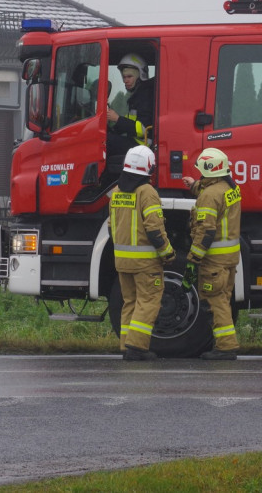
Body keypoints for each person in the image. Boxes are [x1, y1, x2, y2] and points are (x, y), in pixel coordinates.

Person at [109, 145, 175, 361]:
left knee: (130, 302)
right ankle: (137, 348)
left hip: (122, 262)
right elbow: (155, 228)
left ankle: (125, 346)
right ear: (149, 167)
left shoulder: (117, 192)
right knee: (148, 301)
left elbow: (112, 226)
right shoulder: (147, 192)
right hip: (145, 263)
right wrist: (167, 253)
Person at [182, 148, 242, 360]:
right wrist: (194, 185)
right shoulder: (230, 188)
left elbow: (206, 231)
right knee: (223, 300)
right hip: (229, 259)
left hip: (214, 261)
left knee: (215, 302)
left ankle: (225, 347)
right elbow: (214, 193)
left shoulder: (209, 196)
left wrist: (193, 258)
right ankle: (225, 344)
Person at [107, 53, 155, 157]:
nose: (125, 81)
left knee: (105, 141)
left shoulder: (146, 96)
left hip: (143, 146)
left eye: (129, 76)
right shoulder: (138, 95)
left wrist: (117, 119)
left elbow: (143, 129)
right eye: (124, 77)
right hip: (137, 144)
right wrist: (113, 128)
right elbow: (131, 123)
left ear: (140, 75)